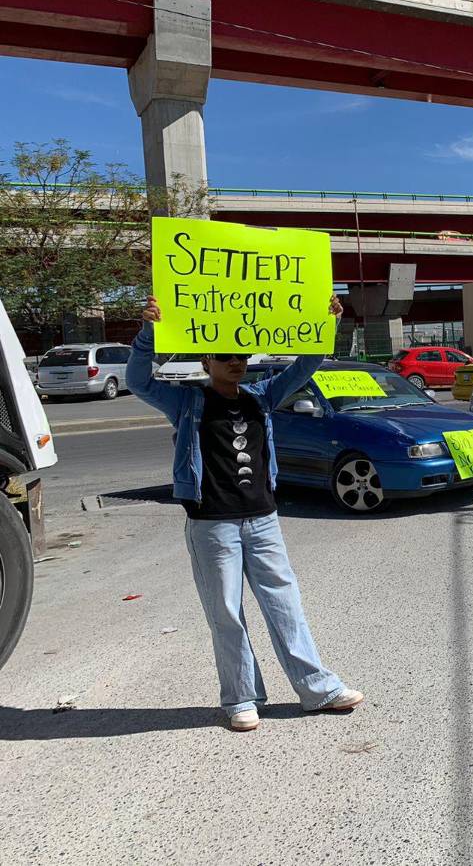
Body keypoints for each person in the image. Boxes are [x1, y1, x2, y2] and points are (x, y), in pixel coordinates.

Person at [127, 295, 363, 732]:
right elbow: (138, 380)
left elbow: (306, 365)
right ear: (206, 360)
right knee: (227, 611)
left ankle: (317, 689)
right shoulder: (186, 401)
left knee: (285, 604)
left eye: (240, 355)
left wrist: (324, 322)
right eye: (225, 356)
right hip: (212, 524)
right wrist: (148, 333)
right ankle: (241, 697)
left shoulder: (261, 395)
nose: (235, 362)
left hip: (262, 519)